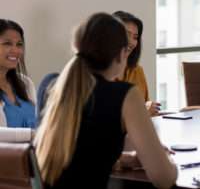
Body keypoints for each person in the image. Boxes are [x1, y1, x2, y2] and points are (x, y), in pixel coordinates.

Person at [34, 13, 177, 189]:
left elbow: (78, 154)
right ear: (122, 54)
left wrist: (125, 160)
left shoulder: (49, 84)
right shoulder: (125, 95)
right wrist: (170, 162)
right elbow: (164, 179)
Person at [113, 11, 160, 116]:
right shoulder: (97, 73)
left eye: (135, 37)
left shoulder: (137, 71)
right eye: (126, 34)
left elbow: (146, 107)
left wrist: (149, 108)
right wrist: (142, 112)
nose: (131, 42)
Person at [0, 19, 36, 142]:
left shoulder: (26, 83)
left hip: (32, 158)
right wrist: (31, 135)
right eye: (7, 43)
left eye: (19, 44)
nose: (16, 51)